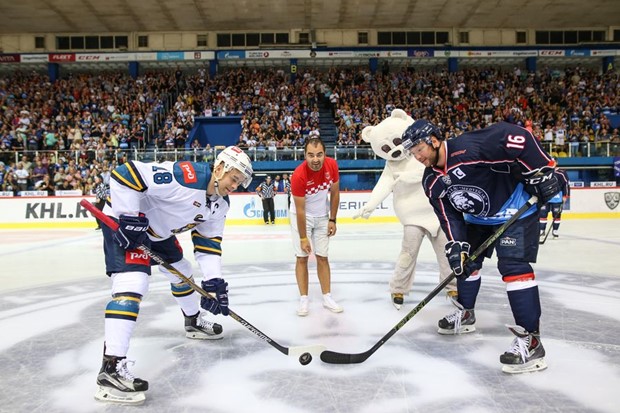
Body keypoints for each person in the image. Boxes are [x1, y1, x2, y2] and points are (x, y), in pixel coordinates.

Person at [94, 146, 253, 404]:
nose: (235, 185)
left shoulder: (220, 204)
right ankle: (110, 370)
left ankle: (192, 321)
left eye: (240, 182)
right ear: (220, 167)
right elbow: (126, 174)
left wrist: (213, 284)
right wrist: (129, 217)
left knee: (184, 273)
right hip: (126, 225)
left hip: (158, 233)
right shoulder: (186, 177)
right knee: (133, 283)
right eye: (233, 178)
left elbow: (208, 243)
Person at [401, 119, 560, 374]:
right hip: (478, 219)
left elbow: (516, 136)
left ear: (433, 140)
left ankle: (532, 341)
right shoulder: (430, 180)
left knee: (513, 267)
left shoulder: (469, 148)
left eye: (419, 149)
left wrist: (543, 169)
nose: (417, 156)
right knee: (465, 265)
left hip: (514, 209)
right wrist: (456, 245)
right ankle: (466, 315)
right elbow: (449, 216)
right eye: (413, 153)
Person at [290, 137, 342, 316]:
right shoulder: (298, 175)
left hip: (322, 216)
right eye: (311, 155)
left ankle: (327, 296)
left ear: (325, 154)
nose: (315, 159)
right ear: (304, 155)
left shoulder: (332, 165)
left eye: (319, 154)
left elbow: (335, 194)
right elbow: (300, 210)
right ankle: (304, 299)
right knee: (302, 257)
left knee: (322, 257)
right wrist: (303, 238)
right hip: (302, 216)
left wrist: (332, 220)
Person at [539, 169, 570, 241]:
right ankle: (541, 230)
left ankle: (555, 231)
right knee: (542, 215)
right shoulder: (543, 172)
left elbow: (566, 184)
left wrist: (565, 195)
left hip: (557, 198)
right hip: (545, 198)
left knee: (557, 215)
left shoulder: (561, 173)